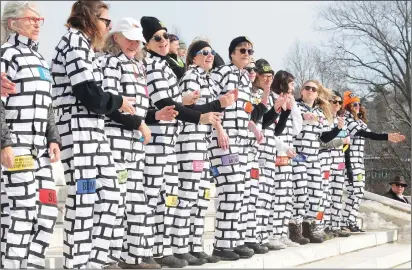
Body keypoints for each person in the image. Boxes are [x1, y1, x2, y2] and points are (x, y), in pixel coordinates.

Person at [50, 1, 138, 268]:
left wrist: (111, 101)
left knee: (111, 196)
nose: (108, 27)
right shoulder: (74, 41)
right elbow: (88, 93)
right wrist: (118, 100)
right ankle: (77, 263)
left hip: (93, 129)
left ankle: (95, 261)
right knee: (84, 200)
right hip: (77, 128)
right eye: (106, 21)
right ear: (89, 19)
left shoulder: (85, 46)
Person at [140, 16, 222, 268]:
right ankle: (153, 250)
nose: (164, 41)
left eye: (165, 36)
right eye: (158, 37)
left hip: (172, 141)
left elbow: (176, 104)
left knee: (175, 198)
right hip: (161, 140)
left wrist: (199, 112)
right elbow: (166, 104)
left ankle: (176, 248)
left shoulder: (164, 66)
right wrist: (203, 115)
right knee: (158, 198)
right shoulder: (154, 66)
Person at [97, 17, 179, 269]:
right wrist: (139, 124)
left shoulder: (139, 66)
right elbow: (111, 105)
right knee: (114, 204)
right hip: (116, 140)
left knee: (137, 205)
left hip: (135, 144)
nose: (134, 44)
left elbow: (141, 110)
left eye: (137, 41)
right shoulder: (109, 63)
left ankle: (133, 256)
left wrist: (154, 117)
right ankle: (108, 258)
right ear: (116, 38)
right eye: (129, 39)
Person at [0, 1, 61, 268]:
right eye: (31, 19)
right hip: (18, 147)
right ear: (13, 23)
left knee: (47, 213)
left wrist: (53, 137)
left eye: (40, 20)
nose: (38, 24)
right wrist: (4, 143)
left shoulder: (39, 58)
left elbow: (48, 104)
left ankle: (32, 265)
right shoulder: (6, 55)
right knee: (22, 213)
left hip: (42, 154)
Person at [172, 40, 235, 265]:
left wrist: (217, 121)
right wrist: (219, 103)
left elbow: (210, 112)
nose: (209, 55)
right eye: (204, 52)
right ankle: (179, 247)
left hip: (203, 144)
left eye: (211, 52)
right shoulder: (190, 77)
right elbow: (187, 110)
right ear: (192, 57)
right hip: (189, 143)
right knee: (188, 196)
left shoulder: (207, 79)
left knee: (201, 198)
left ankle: (194, 245)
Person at [209, 36, 270, 261]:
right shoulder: (221, 72)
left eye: (250, 51)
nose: (246, 54)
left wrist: (251, 129)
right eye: (242, 50)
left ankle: (232, 241)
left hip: (241, 142)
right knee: (230, 190)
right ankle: (221, 244)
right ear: (232, 53)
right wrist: (218, 128)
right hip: (224, 141)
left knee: (240, 192)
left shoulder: (245, 78)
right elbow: (212, 102)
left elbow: (245, 114)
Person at [341, 91, 406, 233]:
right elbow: (366, 134)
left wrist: (388, 136)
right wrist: (386, 136)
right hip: (350, 161)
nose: (357, 106)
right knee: (354, 191)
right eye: (353, 104)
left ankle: (350, 220)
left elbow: (371, 134)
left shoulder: (358, 121)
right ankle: (345, 221)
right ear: (347, 106)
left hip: (359, 161)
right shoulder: (347, 120)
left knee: (358, 192)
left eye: (358, 104)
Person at [290, 80, 343, 244]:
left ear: (318, 93)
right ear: (302, 92)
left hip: (314, 157)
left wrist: (337, 129)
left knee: (316, 194)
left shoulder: (320, 113)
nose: (310, 91)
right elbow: (288, 127)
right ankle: (294, 228)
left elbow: (324, 137)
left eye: (314, 89)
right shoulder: (295, 107)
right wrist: (301, 118)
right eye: (307, 88)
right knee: (300, 192)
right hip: (298, 155)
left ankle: (308, 227)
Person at [246, 63, 291, 252]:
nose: (267, 78)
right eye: (264, 75)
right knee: (256, 197)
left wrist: (285, 110)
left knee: (266, 197)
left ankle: (262, 236)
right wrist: (274, 109)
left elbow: (277, 129)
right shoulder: (253, 93)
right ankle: (253, 236)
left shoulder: (272, 96)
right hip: (255, 150)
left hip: (269, 150)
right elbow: (261, 122)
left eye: (270, 75)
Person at [266, 71, 304, 249]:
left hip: (287, 156)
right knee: (276, 196)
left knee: (286, 197)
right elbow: (270, 132)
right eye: (291, 83)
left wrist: (294, 107)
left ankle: (282, 234)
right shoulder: (273, 99)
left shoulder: (290, 102)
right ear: (283, 83)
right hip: (276, 153)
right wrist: (282, 147)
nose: (294, 87)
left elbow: (297, 129)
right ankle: (272, 234)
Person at [318, 91, 351, 238]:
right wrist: (340, 141)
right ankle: (323, 225)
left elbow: (346, 145)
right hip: (325, 161)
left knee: (337, 195)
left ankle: (335, 225)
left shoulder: (341, 121)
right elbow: (323, 142)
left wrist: (347, 164)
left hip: (339, 163)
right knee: (324, 196)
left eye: (339, 102)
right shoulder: (325, 119)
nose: (337, 104)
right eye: (334, 101)